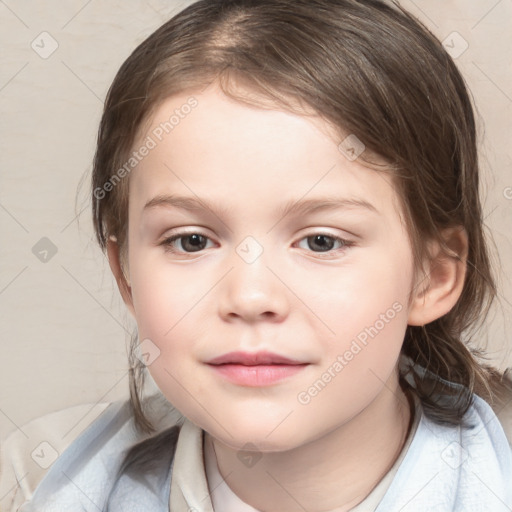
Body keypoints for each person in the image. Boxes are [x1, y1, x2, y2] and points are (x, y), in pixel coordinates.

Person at [2, 0, 512, 510]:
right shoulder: (33, 480)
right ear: (126, 275)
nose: (250, 297)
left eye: (321, 241)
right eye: (192, 240)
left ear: (435, 276)